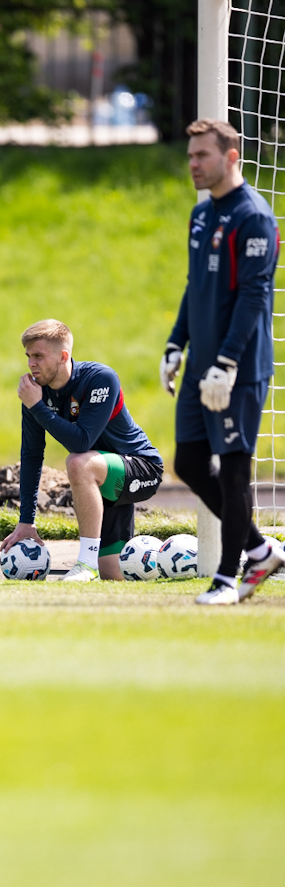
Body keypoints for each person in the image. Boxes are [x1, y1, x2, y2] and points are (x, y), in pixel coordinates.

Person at [161, 117, 284, 606]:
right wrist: (176, 344)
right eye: (190, 155)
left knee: (234, 469)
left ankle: (226, 580)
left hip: (239, 369)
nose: (192, 163)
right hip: (200, 367)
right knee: (189, 462)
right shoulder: (201, 214)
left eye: (202, 155)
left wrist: (228, 362)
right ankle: (261, 550)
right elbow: (195, 286)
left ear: (231, 156)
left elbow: (254, 296)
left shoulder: (254, 217)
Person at [1, 320, 164, 581]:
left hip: (141, 467)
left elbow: (82, 442)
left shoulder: (100, 379)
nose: (31, 364)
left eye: (39, 356)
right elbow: (31, 455)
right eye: (28, 356)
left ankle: (85, 565)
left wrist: (37, 407)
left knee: (78, 462)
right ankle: (178, 558)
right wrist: (26, 521)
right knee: (113, 574)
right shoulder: (36, 393)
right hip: (101, 480)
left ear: (63, 356)